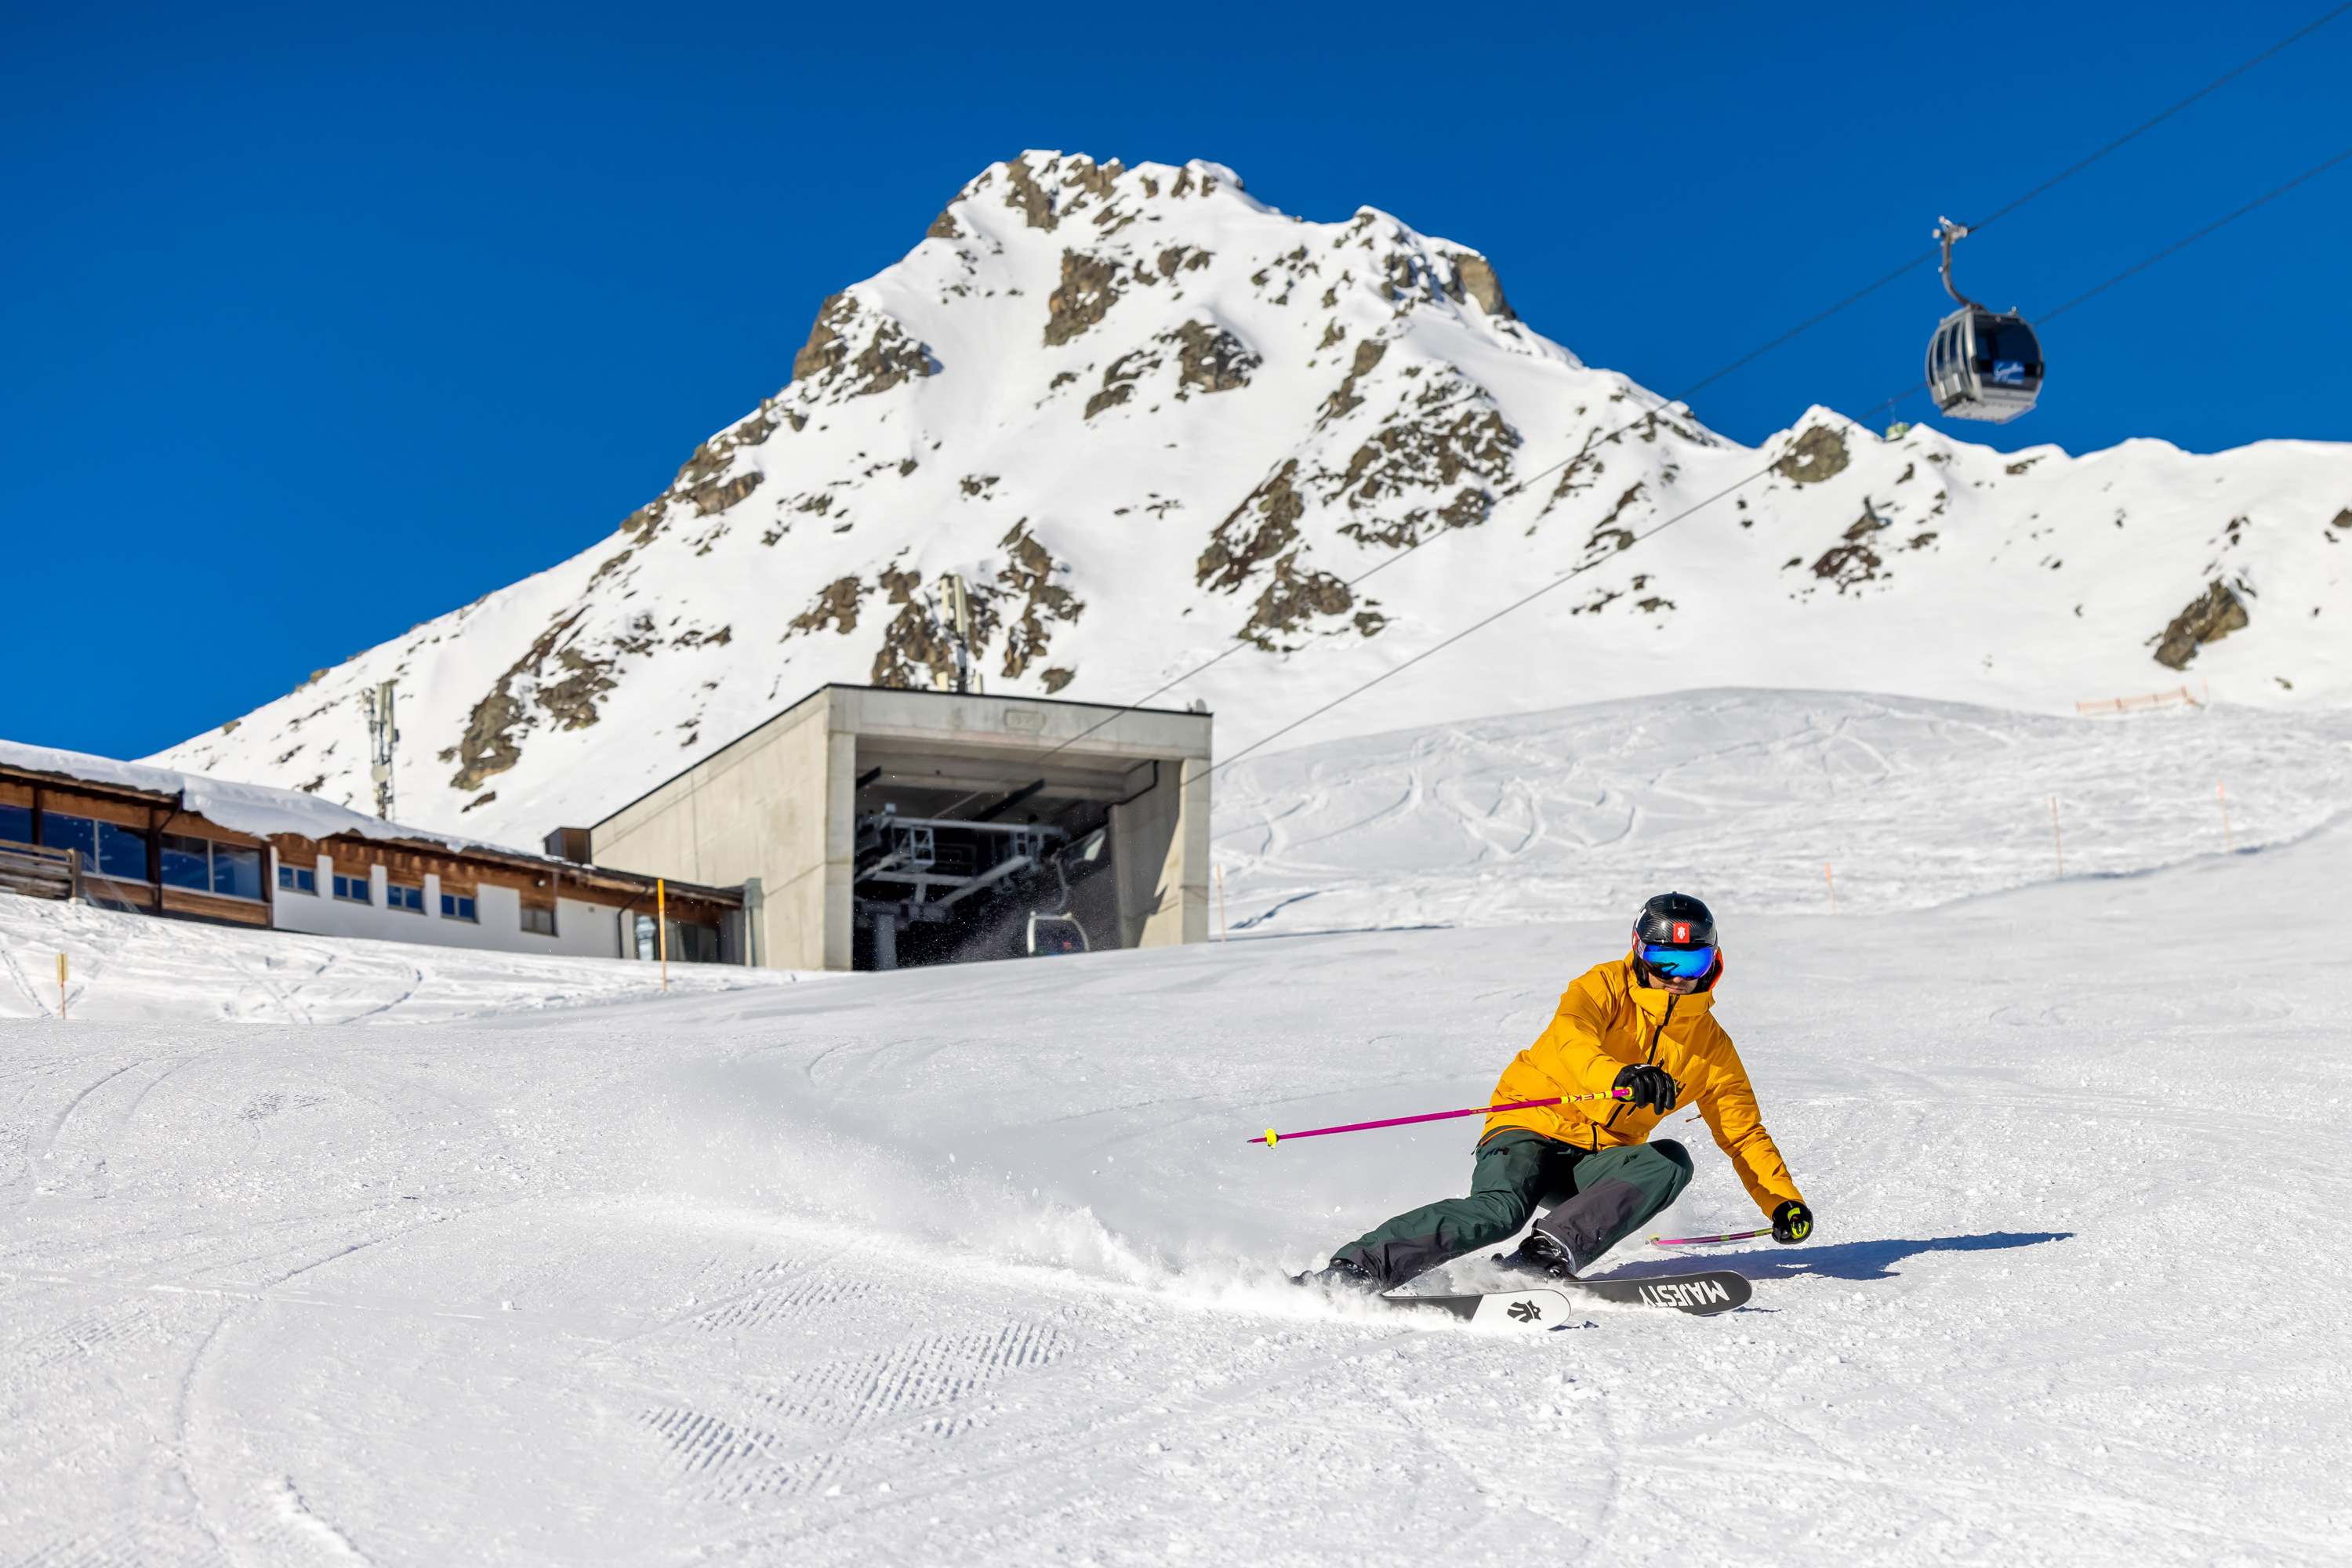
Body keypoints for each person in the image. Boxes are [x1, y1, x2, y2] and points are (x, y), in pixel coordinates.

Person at [1303, 892, 1812, 1292]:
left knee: (1669, 1162)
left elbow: (1743, 1133)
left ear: (1714, 963)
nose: (1676, 978)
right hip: (1529, 1129)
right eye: (1663, 960)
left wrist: (1783, 1204)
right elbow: (1572, 1040)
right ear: (1638, 952)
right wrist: (1618, 1078)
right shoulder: (1600, 988)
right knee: (1500, 1211)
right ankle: (1357, 1270)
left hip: (1595, 1162)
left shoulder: (1711, 1048)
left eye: (1692, 963)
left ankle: (1542, 1257)